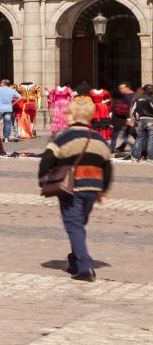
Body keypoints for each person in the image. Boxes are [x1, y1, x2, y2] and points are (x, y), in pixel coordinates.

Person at [39, 96, 113, 281]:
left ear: (73, 115)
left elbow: (47, 158)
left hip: (71, 187)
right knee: (78, 225)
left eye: (68, 112)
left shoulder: (62, 136)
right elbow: (108, 166)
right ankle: (74, 260)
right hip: (93, 187)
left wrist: (43, 179)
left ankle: (85, 267)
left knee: (74, 225)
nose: (65, 115)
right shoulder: (100, 139)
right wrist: (103, 190)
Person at [0, 79, 20, 143]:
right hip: (8, 109)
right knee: (7, 124)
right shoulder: (12, 90)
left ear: (3, 83)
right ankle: (6, 138)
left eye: (1, 82)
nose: (0, 83)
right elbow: (20, 97)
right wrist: (13, 103)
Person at [132, 84, 153, 164]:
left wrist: (137, 119)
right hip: (151, 120)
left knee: (139, 139)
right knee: (151, 139)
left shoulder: (138, 99)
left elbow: (133, 111)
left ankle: (135, 157)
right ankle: (150, 158)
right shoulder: (151, 99)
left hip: (141, 120)